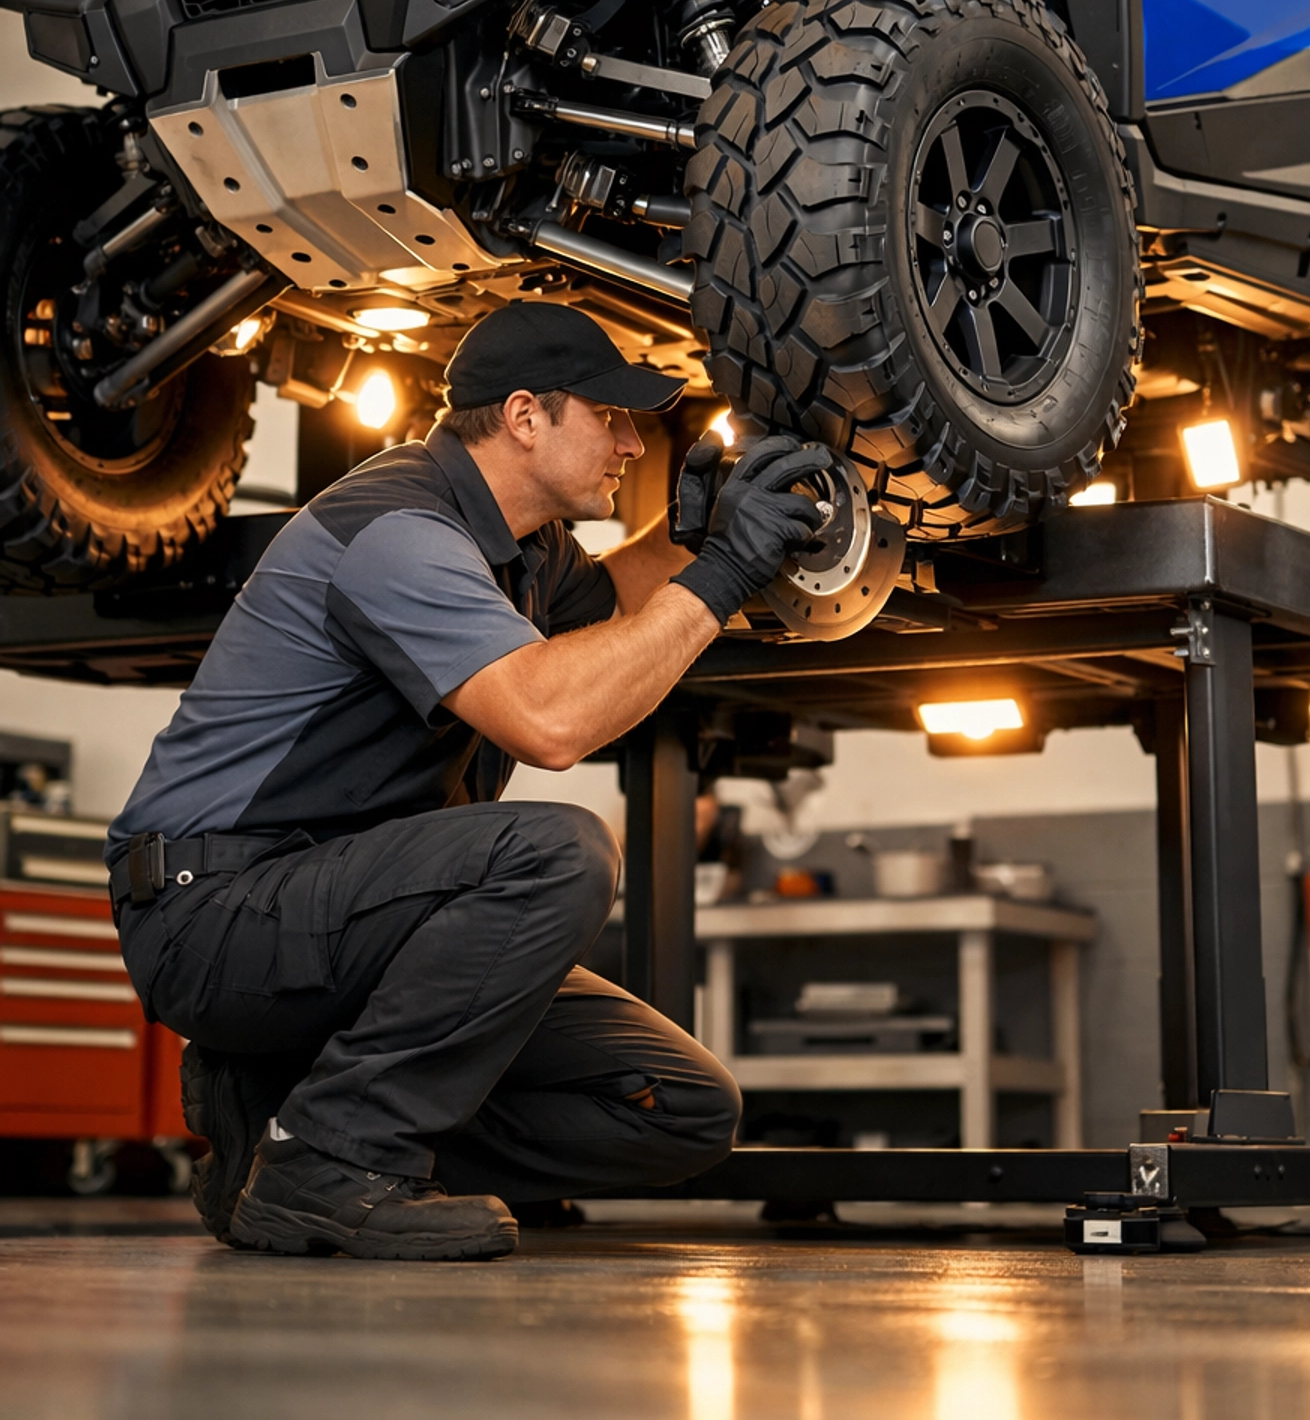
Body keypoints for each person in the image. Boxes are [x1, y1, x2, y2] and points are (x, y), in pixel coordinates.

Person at [108, 302, 829, 1261]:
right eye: (609, 416)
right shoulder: (399, 528)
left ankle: (286, 1124)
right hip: (218, 913)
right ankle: (329, 1166)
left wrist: (696, 536)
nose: (630, 439)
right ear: (526, 416)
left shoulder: (524, 549)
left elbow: (617, 604)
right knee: (557, 853)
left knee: (679, 1109)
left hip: (342, 914)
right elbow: (552, 721)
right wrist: (727, 573)